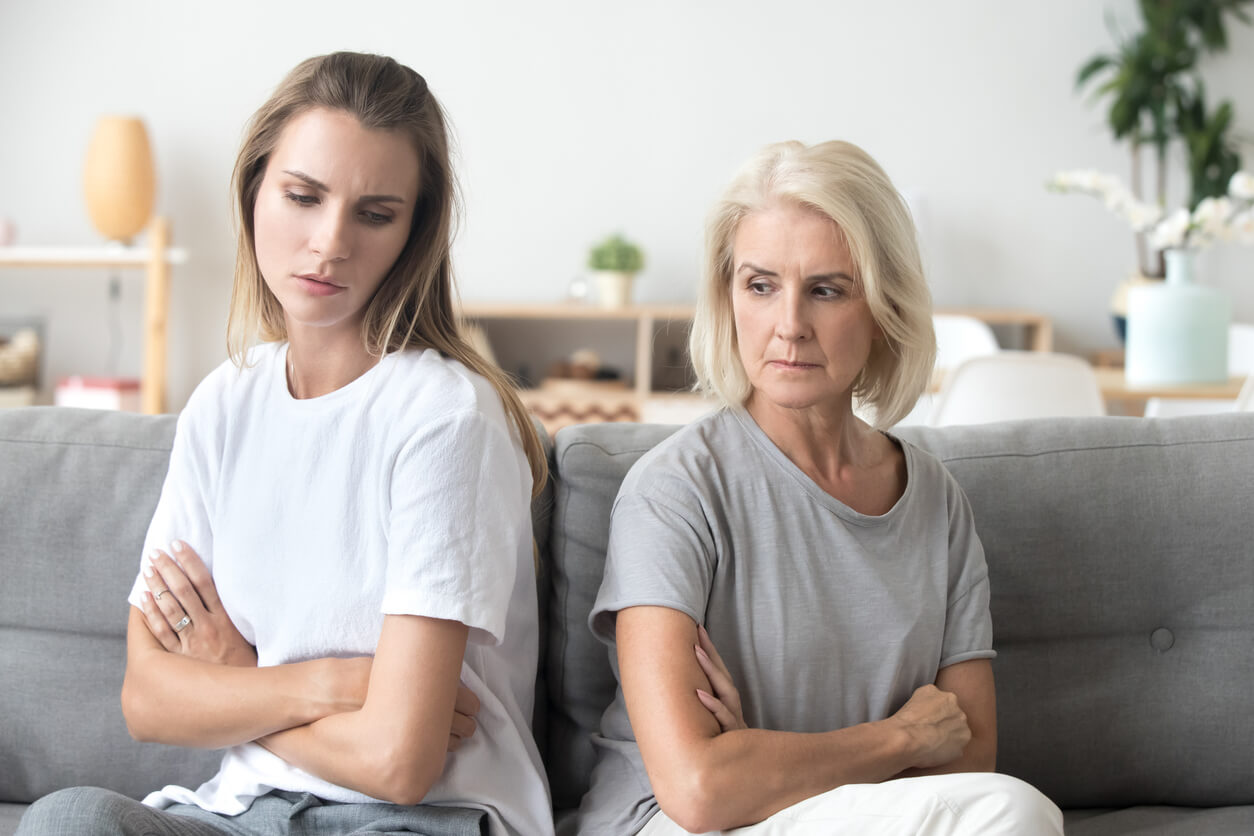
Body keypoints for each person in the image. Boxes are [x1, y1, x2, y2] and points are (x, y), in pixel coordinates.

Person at [18, 52, 553, 836]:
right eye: (303, 196)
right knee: (70, 820)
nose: (329, 242)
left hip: (418, 818)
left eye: (375, 213)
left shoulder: (445, 418)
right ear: (254, 190)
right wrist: (332, 684)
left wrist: (235, 680)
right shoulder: (224, 404)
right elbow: (148, 699)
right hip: (245, 811)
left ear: (413, 232)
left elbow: (401, 764)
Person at [571, 141, 1064, 835]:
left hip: (844, 817)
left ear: (882, 306)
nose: (789, 325)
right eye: (760, 285)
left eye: (827, 289)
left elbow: (969, 759)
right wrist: (902, 738)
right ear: (727, 296)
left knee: (1013, 811)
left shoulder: (936, 503)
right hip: (676, 827)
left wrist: (764, 760)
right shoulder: (674, 492)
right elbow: (700, 788)